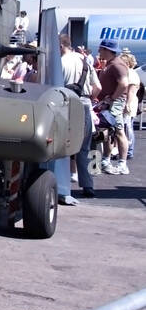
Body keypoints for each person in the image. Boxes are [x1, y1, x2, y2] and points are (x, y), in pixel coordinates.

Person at [59, 34, 95, 201]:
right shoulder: (84, 61)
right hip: (86, 104)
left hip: (66, 104)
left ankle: (63, 187)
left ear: (60, 46)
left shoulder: (60, 62)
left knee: (63, 147)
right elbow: (98, 87)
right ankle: (88, 185)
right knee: (84, 148)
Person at [95, 40, 131, 175]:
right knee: (109, 132)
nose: (99, 51)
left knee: (118, 131)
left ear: (107, 50)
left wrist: (112, 99)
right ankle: (106, 159)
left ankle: (122, 163)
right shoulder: (111, 64)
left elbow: (124, 84)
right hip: (109, 102)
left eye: (101, 49)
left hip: (114, 103)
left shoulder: (117, 65)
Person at [123, 49, 140, 161]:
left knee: (128, 127)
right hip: (129, 102)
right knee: (127, 126)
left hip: (130, 102)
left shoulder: (132, 75)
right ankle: (127, 149)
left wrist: (127, 105)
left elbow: (131, 92)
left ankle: (129, 151)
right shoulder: (128, 73)